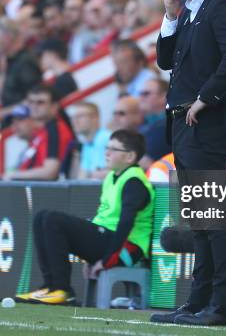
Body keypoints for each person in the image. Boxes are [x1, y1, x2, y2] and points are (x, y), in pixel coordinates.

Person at [151, 0, 226, 327]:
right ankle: (198, 302)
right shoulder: (191, 10)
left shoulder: (221, 5)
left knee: (214, 220)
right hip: (183, 126)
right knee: (199, 221)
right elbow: (164, 61)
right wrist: (170, 16)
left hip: (205, 125)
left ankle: (222, 307)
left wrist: (205, 98)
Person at [15, 129, 154, 305]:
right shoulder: (112, 176)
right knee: (41, 217)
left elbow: (126, 223)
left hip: (125, 248)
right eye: (107, 147)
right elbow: (104, 218)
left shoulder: (135, 182)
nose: (107, 153)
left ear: (130, 157)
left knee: (52, 219)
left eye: (114, 149)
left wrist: (106, 260)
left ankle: (62, 289)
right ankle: (50, 286)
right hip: (108, 239)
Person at [3, 85, 74, 180]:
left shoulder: (55, 129)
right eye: (31, 102)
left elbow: (50, 172)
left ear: (54, 107)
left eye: (40, 103)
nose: (34, 106)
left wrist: (13, 175)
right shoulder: (43, 129)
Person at [71, 102, 110, 179]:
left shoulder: (106, 138)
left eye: (80, 116)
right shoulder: (87, 143)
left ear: (95, 118)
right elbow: (82, 177)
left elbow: (101, 176)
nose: (74, 121)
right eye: (72, 118)